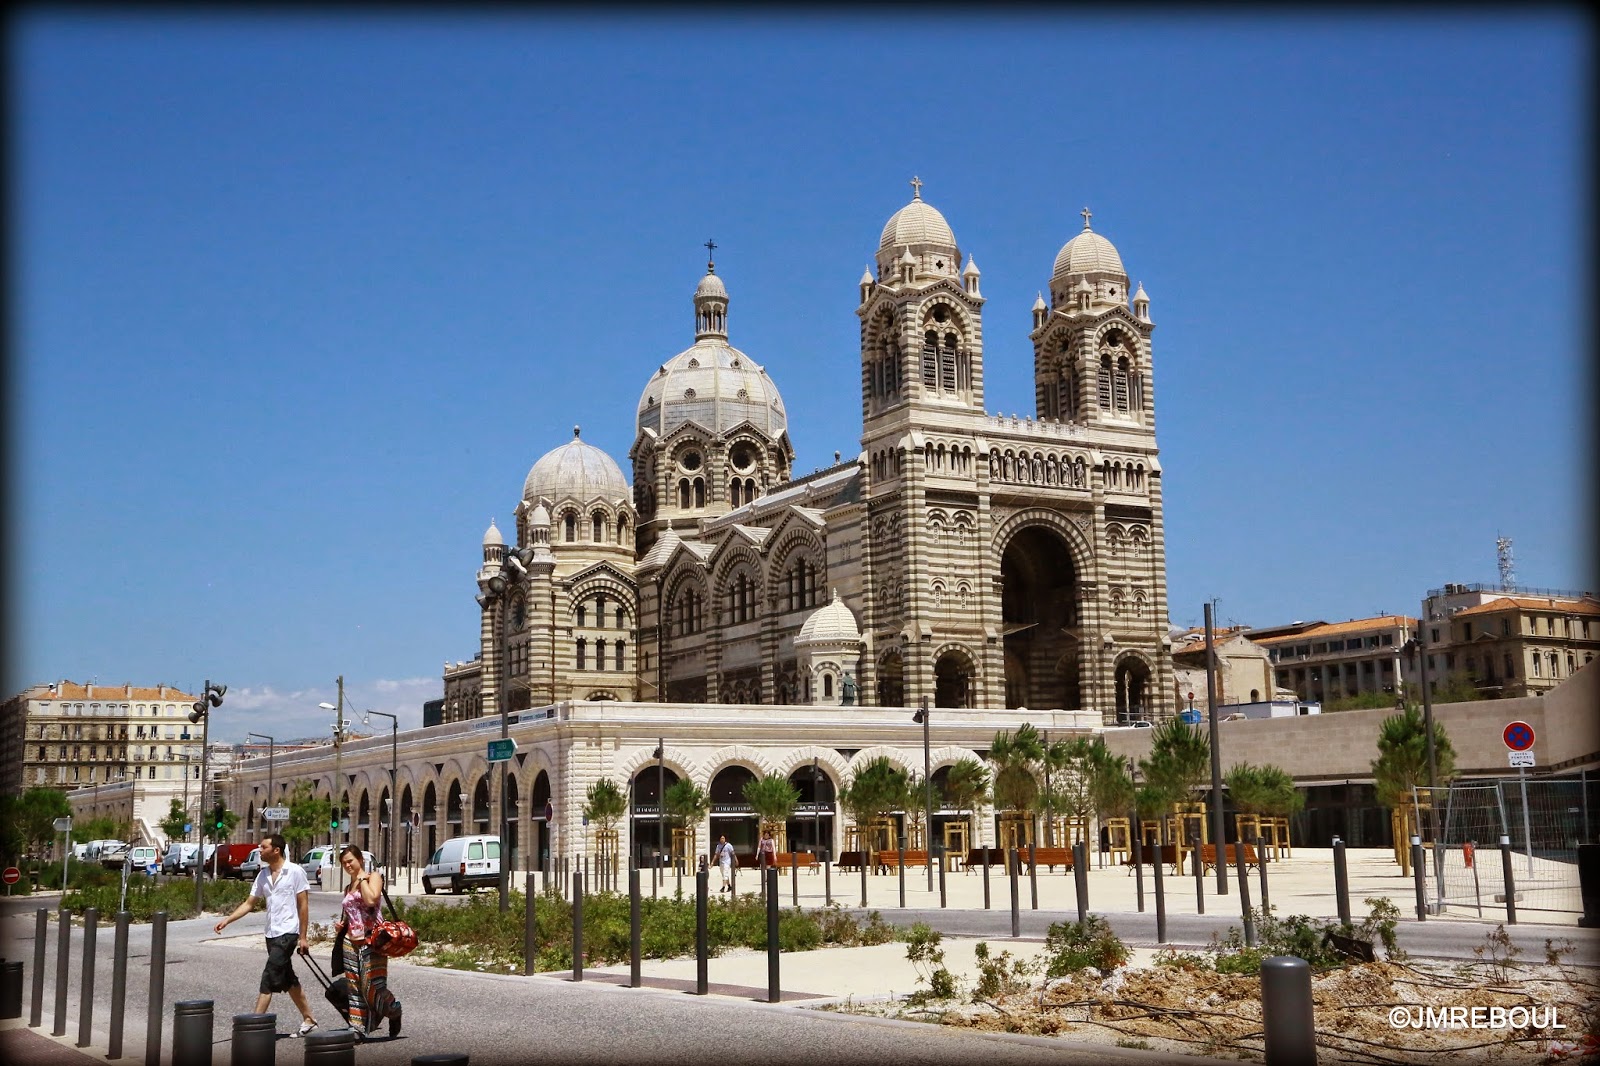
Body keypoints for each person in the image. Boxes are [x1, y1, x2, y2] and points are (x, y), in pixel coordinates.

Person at [213, 834, 320, 1037]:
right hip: (271, 934)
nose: (259, 850)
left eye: (263, 847)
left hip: (288, 933)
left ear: (276, 850)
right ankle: (309, 1019)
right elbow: (249, 903)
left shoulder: (295, 872)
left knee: (268, 978)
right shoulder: (263, 875)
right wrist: (228, 920)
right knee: (288, 980)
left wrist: (303, 937)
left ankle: (252, 1027)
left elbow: (303, 905)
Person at [333, 844, 402, 1040]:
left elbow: (372, 900)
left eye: (350, 861)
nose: (347, 866)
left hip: (372, 940)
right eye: (344, 863)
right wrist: (342, 926)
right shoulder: (348, 887)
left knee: (372, 986)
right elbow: (351, 913)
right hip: (350, 941)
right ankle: (357, 1028)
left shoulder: (374, 878)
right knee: (354, 986)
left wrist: (362, 878)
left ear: (360, 860)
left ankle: (394, 1010)